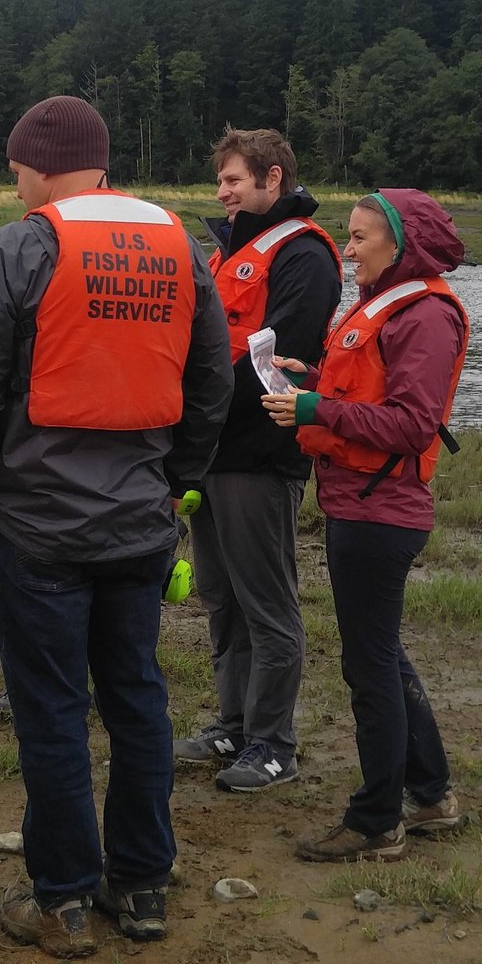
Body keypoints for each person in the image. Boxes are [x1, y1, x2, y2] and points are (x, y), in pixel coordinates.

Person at [0, 96, 232, 957]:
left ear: (41, 162)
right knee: (137, 695)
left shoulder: (19, 245)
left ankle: (63, 898)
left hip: (34, 528)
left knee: (54, 708)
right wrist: (174, 482)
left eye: (16, 163)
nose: (13, 177)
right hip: (140, 523)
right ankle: (141, 882)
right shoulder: (182, 247)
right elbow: (211, 386)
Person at [262, 189, 471, 863]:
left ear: (399, 244)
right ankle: (431, 794)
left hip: (381, 516)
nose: (346, 250)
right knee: (384, 654)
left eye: (357, 238)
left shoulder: (427, 316)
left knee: (370, 664)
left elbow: (411, 426)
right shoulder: (388, 306)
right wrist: (312, 379)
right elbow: (372, 394)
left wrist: (316, 410)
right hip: (359, 507)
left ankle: (379, 819)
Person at [175, 128, 339, 794]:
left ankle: (274, 743)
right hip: (211, 452)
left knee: (267, 604)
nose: (223, 192)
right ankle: (234, 725)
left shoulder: (306, 257)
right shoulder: (229, 252)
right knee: (221, 598)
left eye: (234, 180)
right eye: (220, 182)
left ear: (274, 180)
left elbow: (278, 359)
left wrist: (201, 407)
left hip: (260, 455)